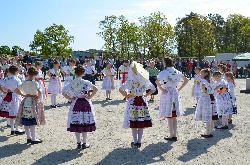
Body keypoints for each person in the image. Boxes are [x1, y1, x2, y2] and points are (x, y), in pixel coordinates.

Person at [119, 61, 155, 148]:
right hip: (142, 102)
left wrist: (126, 95)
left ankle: (135, 142)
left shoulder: (130, 81)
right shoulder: (144, 80)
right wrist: (146, 95)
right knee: (141, 121)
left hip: (133, 102)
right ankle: (139, 141)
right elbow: (153, 88)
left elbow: (120, 89)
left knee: (134, 122)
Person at [62, 65, 98, 149]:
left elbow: (63, 92)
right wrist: (90, 97)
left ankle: (78, 142)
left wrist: (70, 98)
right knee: (85, 122)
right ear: (83, 73)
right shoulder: (86, 82)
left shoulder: (71, 83)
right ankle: (84, 143)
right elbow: (96, 89)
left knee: (77, 122)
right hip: (85, 103)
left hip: (76, 103)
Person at [156, 57, 189, 141]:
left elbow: (157, 81)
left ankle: (171, 135)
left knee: (169, 115)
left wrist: (162, 89)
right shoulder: (177, 71)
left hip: (167, 93)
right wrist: (179, 89)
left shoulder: (164, 72)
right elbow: (186, 80)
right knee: (174, 115)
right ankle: (174, 134)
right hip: (175, 92)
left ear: (165, 63)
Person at [15, 67, 46, 144]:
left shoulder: (24, 82)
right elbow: (40, 92)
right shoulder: (35, 83)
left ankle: (28, 137)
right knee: (33, 122)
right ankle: (33, 138)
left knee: (26, 120)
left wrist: (23, 94)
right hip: (33, 101)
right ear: (35, 74)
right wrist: (38, 97)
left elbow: (16, 89)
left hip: (26, 101)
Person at [0, 66, 24, 135]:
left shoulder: (6, 78)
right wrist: (23, 94)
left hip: (8, 96)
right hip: (15, 96)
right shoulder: (16, 79)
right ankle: (17, 129)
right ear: (16, 71)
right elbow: (20, 88)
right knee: (17, 113)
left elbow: (1, 84)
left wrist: (3, 90)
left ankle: (12, 129)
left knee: (10, 113)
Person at [195, 69, 218, 138]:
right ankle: (210, 131)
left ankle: (207, 132)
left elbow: (204, 88)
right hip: (212, 97)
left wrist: (205, 90)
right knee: (211, 115)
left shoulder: (204, 81)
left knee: (207, 115)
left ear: (205, 74)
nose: (200, 75)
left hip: (206, 98)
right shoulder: (211, 80)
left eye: (201, 73)